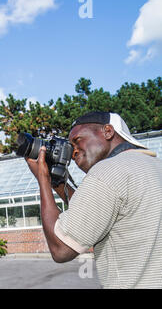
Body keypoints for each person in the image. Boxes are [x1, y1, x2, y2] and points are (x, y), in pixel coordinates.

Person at [26, 111, 162, 288]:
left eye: (77, 140)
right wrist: (57, 184)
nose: (73, 151)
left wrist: (43, 179)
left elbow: (60, 249)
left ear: (107, 131)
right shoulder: (154, 165)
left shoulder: (107, 171)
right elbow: (96, 213)